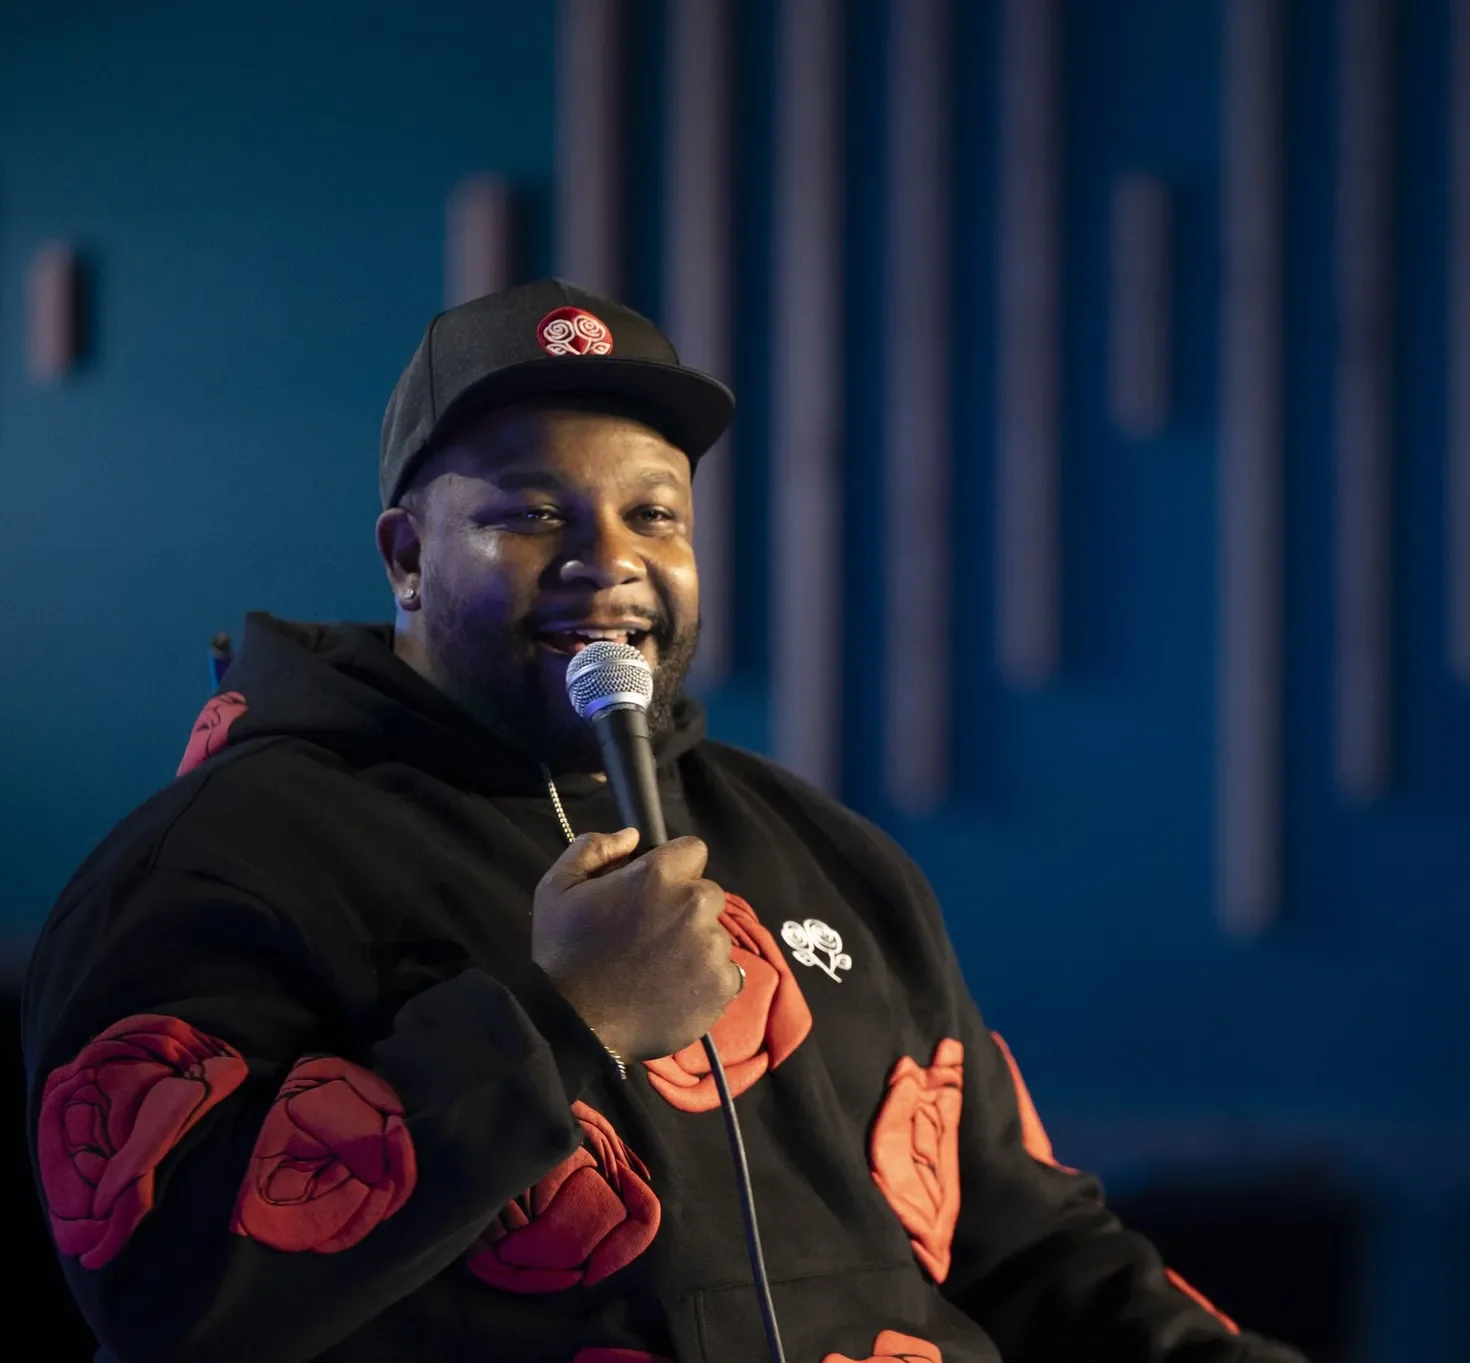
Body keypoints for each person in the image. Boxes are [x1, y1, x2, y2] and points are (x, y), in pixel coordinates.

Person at [21, 279, 1305, 1363]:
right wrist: (559, 1018)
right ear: (406, 556)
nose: (609, 558)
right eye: (531, 513)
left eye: (654, 513)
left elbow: (1027, 1244)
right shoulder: (226, 860)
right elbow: (167, 1298)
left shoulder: (824, 853)